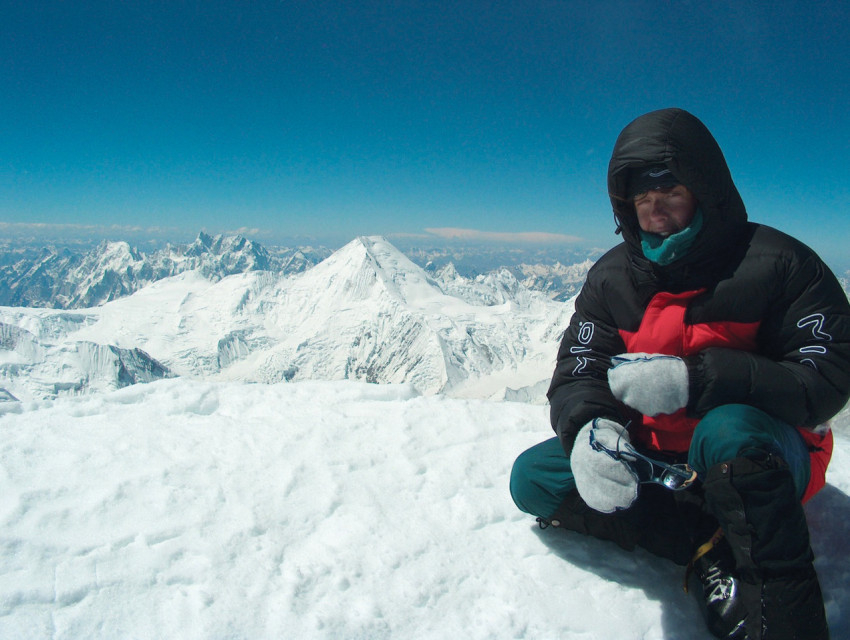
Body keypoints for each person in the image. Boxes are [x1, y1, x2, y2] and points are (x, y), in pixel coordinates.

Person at [510, 108, 850, 640]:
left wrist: (698, 382)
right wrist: (589, 429)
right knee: (536, 477)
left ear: (706, 190)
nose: (656, 212)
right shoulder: (611, 278)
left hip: (764, 454)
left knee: (727, 428)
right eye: (642, 200)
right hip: (660, 456)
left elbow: (825, 377)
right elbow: (580, 369)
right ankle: (704, 544)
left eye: (669, 192)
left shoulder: (783, 266)